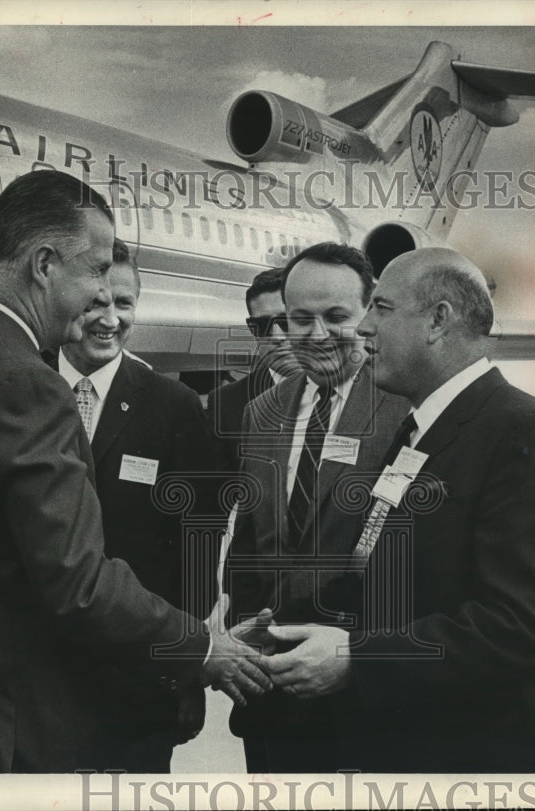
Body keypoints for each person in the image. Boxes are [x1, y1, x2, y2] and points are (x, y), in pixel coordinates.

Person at [0, 170, 269, 773]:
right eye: (93, 273)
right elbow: (80, 587)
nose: (98, 296)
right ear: (44, 264)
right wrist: (202, 645)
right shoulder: (27, 383)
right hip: (24, 735)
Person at [262, 247, 535, 772]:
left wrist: (357, 659)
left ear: (438, 320)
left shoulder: (522, 430)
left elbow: (523, 626)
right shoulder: (422, 430)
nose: (364, 327)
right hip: (401, 745)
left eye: (382, 309)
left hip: (465, 761)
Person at [223, 242, 410, 772]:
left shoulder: (405, 409)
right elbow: (249, 542)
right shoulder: (263, 412)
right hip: (272, 695)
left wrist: (361, 657)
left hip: (361, 701)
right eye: (300, 319)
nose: (317, 334)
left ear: (370, 314)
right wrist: (247, 634)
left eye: (336, 317)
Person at [53, 238, 218, 770]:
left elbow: (197, 552)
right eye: (96, 303)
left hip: (137, 679)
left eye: (124, 305)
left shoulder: (174, 408)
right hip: (33, 679)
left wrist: (187, 673)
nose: (110, 319)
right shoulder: (22, 388)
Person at [207, 267, 299, 472]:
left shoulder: (350, 395)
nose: (276, 336)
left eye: (286, 321)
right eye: (262, 325)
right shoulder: (227, 405)